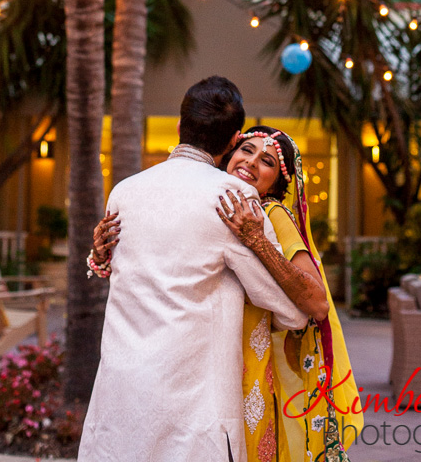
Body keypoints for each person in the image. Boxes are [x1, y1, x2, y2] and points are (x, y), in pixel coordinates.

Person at [78, 77, 308, 462]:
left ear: (179, 126)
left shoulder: (124, 191)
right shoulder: (233, 199)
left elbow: (116, 266)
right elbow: (291, 310)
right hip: (192, 409)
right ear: (234, 139)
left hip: (121, 393)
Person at [219, 128, 362, 461]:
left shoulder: (272, 215)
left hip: (254, 364)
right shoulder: (217, 201)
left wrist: (257, 241)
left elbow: (317, 302)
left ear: (277, 183)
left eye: (266, 161)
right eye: (246, 150)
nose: (250, 162)